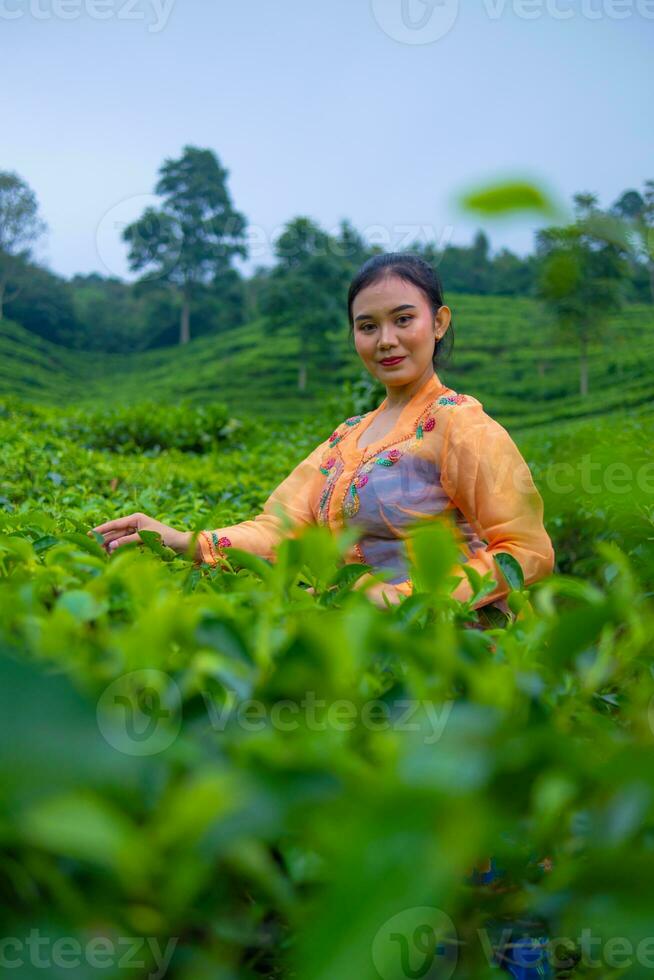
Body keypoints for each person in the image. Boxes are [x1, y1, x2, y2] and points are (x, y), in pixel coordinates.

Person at [89, 253, 555, 613]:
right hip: (359, 644)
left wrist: (408, 599)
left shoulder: (461, 424)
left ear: (438, 322)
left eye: (403, 319)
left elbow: (526, 551)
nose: (386, 340)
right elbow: (279, 530)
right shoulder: (347, 437)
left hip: (453, 649)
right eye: (367, 326)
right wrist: (185, 541)